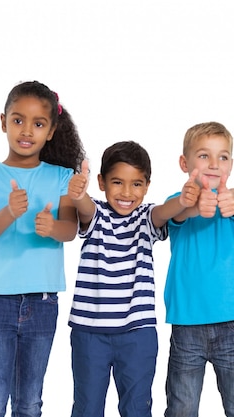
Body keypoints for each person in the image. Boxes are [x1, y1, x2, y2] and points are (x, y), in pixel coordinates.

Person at [0, 80, 86, 417]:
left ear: (51, 131)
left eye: (38, 123)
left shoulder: (63, 176)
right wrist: (9, 212)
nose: (26, 131)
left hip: (43, 302)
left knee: (29, 402)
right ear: (3, 121)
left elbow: (70, 230)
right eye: (18, 120)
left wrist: (52, 228)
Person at [66, 141, 199, 417]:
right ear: (102, 182)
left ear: (147, 185)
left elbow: (163, 212)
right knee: (87, 407)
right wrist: (78, 194)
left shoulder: (144, 217)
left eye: (136, 184)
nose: (127, 192)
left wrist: (183, 202)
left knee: (137, 407)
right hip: (90, 333)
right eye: (117, 182)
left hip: (137, 333)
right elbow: (86, 208)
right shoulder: (97, 216)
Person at [163, 122, 234, 417]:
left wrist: (233, 200)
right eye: (204, 156)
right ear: (185, 162)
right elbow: (177, 214)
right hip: (187, 324)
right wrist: (191, 207)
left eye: (223, 157)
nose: (214, 164)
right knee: (181, 408)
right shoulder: (174, 204)